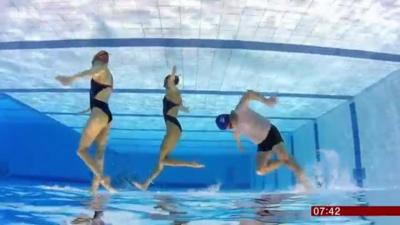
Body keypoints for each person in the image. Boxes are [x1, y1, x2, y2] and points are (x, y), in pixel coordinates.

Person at [215, 90, 311, 190]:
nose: (232, 124)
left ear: (229, 115)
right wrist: (238, 143)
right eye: (230, 126)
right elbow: (236, 133)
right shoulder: (235, 128)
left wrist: (266, 101)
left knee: (285, 157)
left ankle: (304, 180)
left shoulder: (240, 109)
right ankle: (284, 162)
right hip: (262, 144)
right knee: (260, 170)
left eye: (230, 120)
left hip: (270, 133)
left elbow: (249, 94)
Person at [133, 66, 204, 191]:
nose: (165, 83)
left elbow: (172, 86)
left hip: (173, 129)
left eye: (167, 80)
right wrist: (184, 109)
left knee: (162, 160)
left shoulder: (171, 91)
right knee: (162, 162)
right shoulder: (176, 94)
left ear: (170, 82)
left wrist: (173, 72)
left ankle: (190, 164)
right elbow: (180, 106)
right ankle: (146, 184)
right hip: (174, 128)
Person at [55, 50, 116, 194]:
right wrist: (87, 109)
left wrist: (71, 78)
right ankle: (95, 188)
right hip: (106, 115)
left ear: (95, 60)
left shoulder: (101, 68)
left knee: (81, 150)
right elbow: (99, 97)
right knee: (99, 154)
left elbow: (91, 71)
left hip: (99, 114)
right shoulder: (108, 75)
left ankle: (102, 179)